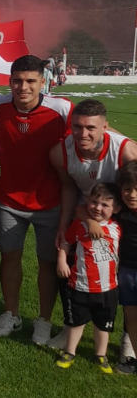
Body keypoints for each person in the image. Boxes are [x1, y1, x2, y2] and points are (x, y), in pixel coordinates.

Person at [0, 55, 73, 345]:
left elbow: (95, 127)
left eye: (30, 81)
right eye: (17, 81)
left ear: (42, 82)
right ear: (10, 81)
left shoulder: (61, 109)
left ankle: (43, 320)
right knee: (9, 257)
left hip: (50, 203)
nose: (22, 87)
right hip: (8, 200)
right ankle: (10, 314)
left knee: (47, 263)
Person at [48, 99, 137, 354]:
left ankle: (128, 339)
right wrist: (65, 225)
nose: (83, 134)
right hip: (85, 212)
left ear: (105, 128)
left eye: (91, 128)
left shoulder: (126, 150)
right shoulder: (60, 152)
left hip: (122, 217)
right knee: (72, 273)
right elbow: (68, 187)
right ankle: (70, 327)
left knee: (123, 276)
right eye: (77, 127)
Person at [55, 183, 121, 374]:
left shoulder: (116, 229)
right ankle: (70, 352)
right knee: (76, 322)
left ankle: (101, 354)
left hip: (108, 289)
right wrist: (62, 261)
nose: (98, 208)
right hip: (81, 285)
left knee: (103, 325)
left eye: (105, 205)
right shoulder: (80, 224)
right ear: (88, 202)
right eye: (94, 202)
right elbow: (66, 242)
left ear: (116, 209)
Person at [115, 162, 137, 374]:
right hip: (126, 272)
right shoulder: (120, 212)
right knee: (131, 316)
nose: (132, 194)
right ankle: (132, 356)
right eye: (127, 189)